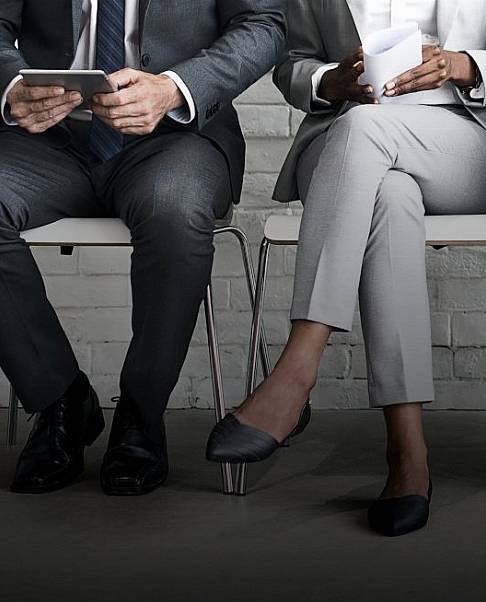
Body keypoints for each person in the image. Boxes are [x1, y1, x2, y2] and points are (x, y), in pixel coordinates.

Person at [205, 0, 486, 537]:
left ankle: (296, 371)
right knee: (388, 190)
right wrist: (330, 82)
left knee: (368, 132)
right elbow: (294, 67)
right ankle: (408, 455)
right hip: (346, 145)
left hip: (468, 137)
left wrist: (460, 65)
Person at [0, 0, 285, 496]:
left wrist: (175, 87)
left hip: (176, 136)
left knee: (174, 212)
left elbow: (264, 24)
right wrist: (11, 84)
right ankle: (60, 401)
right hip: (48, 139)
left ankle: (141, 413)